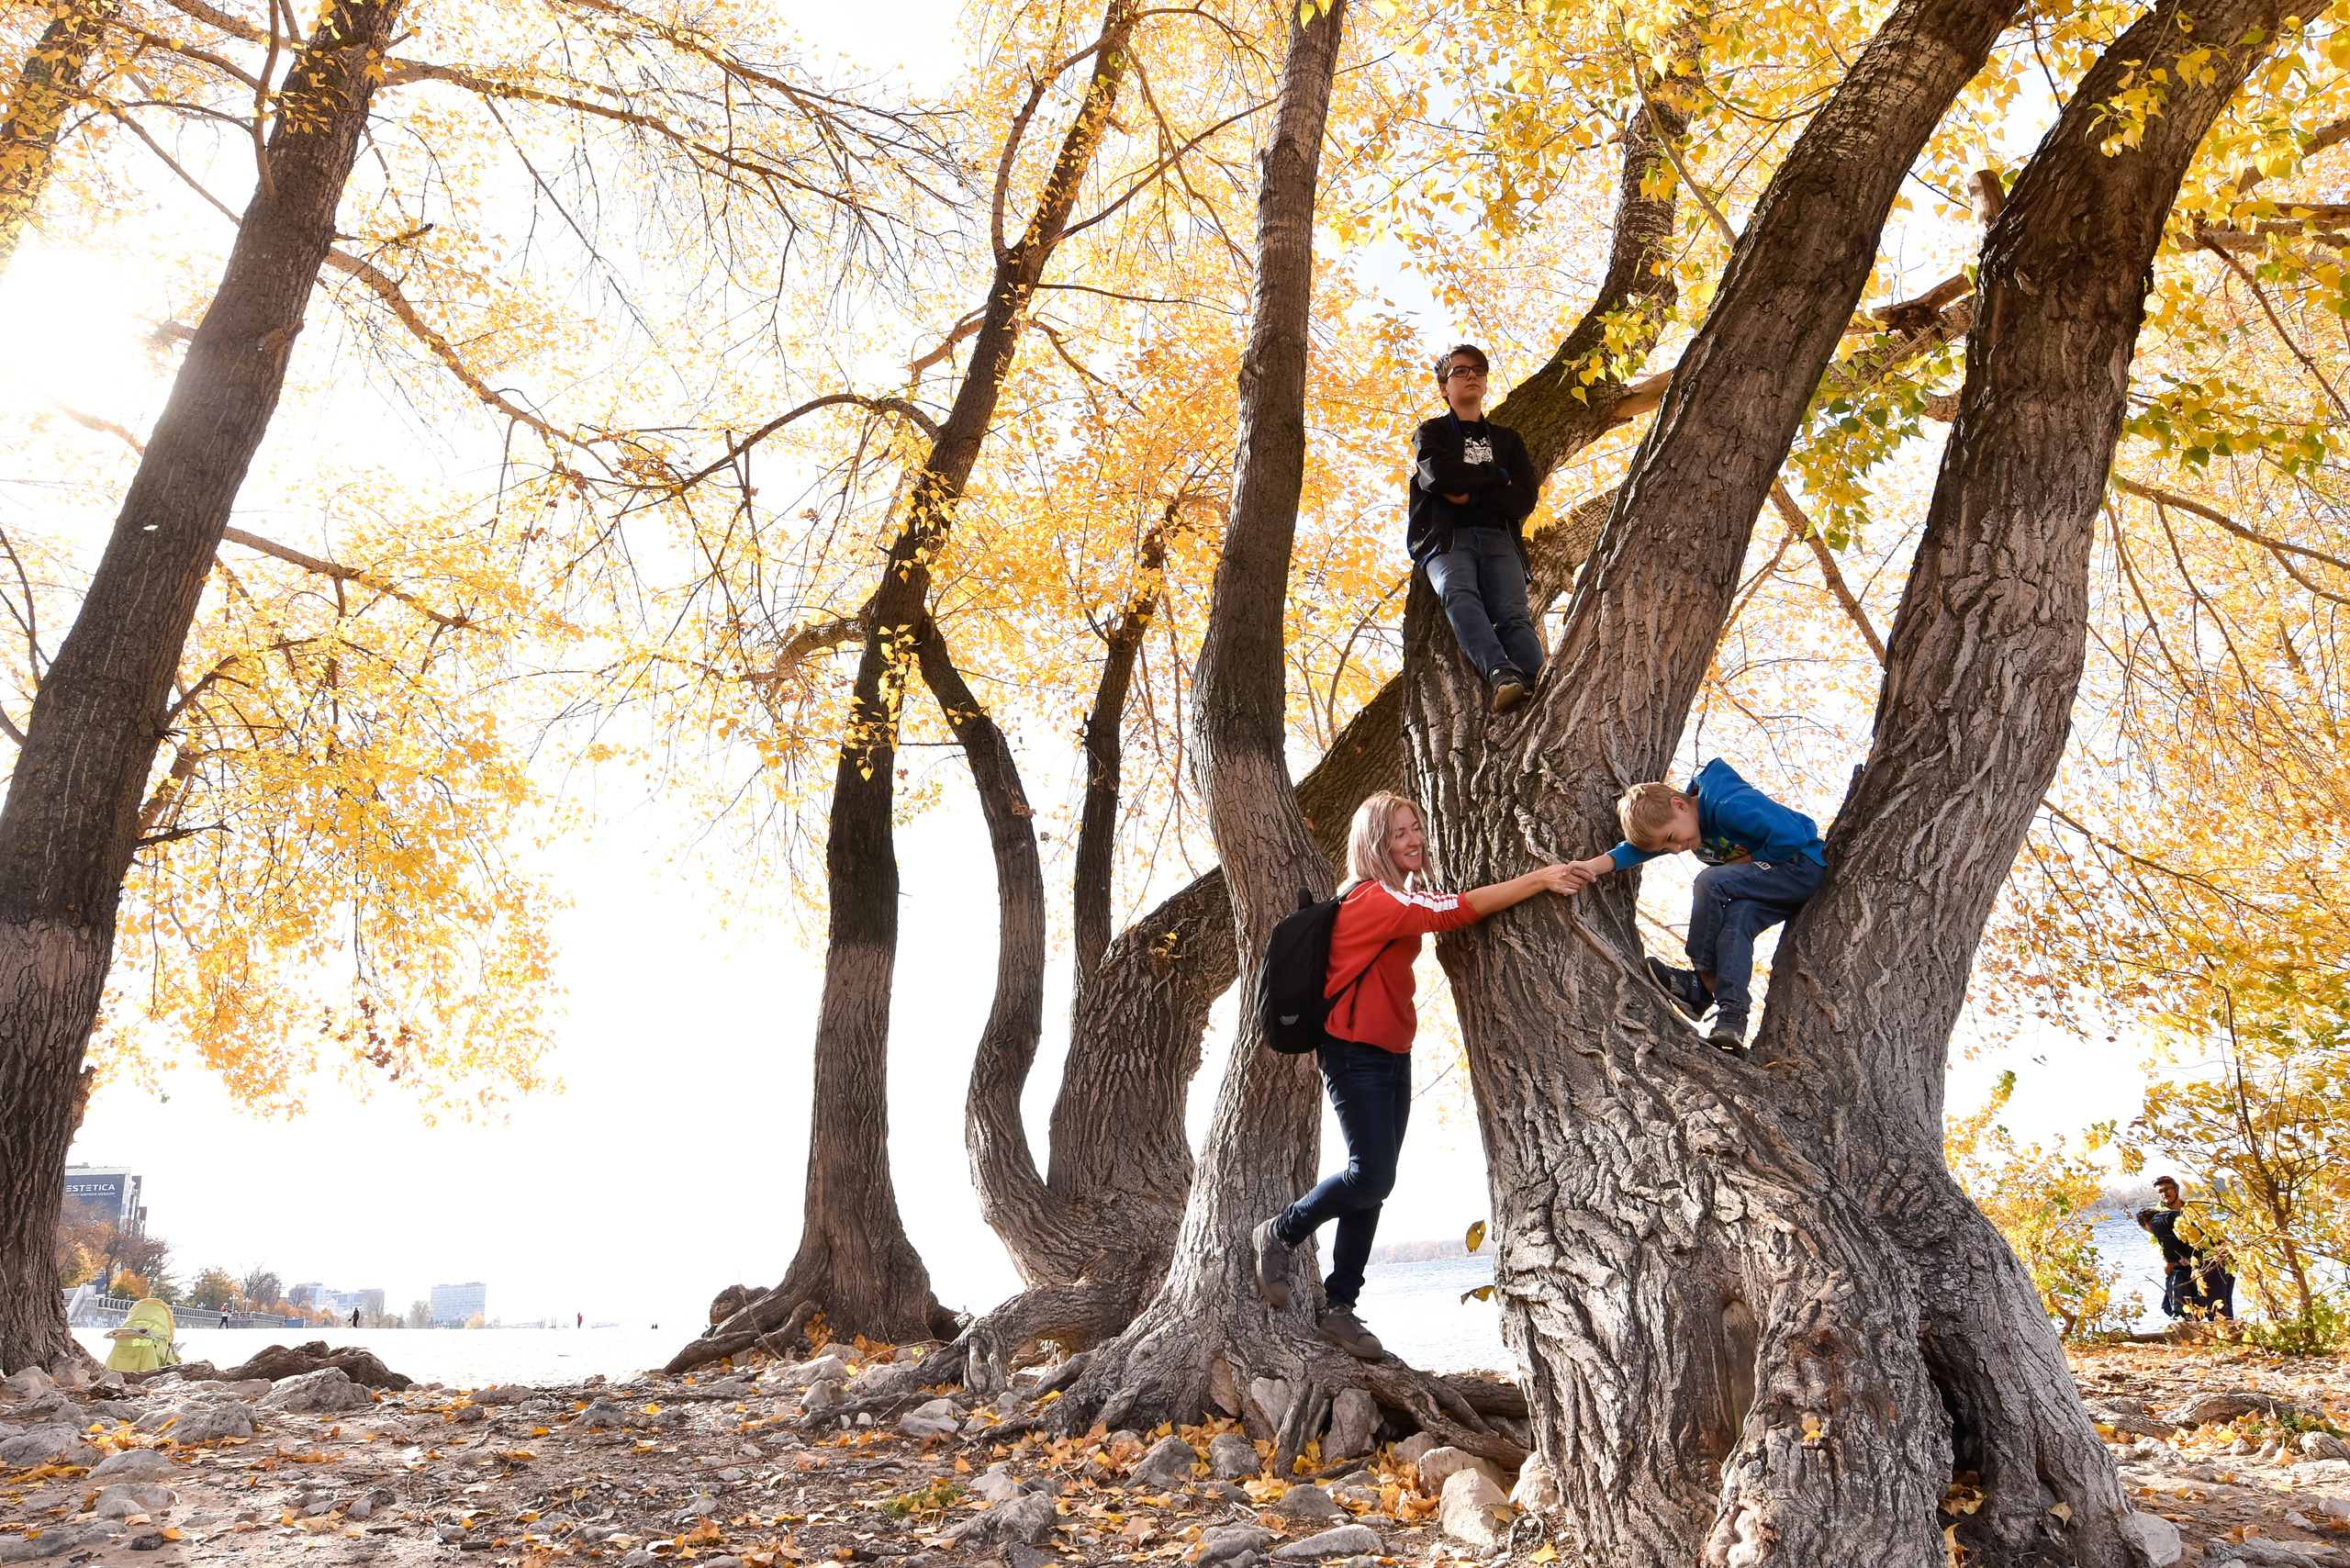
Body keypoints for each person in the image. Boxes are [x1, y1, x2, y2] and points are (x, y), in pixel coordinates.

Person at [1250, 791, 1583, 1358]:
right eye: (1402, 832)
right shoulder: (1372, 900)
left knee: (1373, 1187)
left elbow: (1441, 901)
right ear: (1376, 843)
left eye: (1418, 829)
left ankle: (1341, 1308)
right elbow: (1456, 911)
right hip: (1354, 1051)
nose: (1416, 840)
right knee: (1371, 1178)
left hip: (1391, 1053)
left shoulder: (1394, 896)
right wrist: (1540, 879)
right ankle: (1282, 1230)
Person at [1561, 759, 1827, 1052]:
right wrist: (1590, 866)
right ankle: (1732, 1017)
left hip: (1799, 865)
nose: (1675, 849)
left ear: (1680, 805)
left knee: (1709, 881)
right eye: (1666, 847)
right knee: (1736, 923)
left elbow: (1792, 837)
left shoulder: (1729, 803)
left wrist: (1735, 864)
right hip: (1768, 888)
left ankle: (1702, 981)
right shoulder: (1688, 827)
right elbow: (1634, 852)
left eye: (1671, 839)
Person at [1409, 344, 1543, 714]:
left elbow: (1522, 500)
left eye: (1478, 370)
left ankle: (1540, 685)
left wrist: (1469, 497)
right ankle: (1502, 675)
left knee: (1514, 613)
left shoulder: (1508, 440)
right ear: (1443, 387)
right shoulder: (1430, 433)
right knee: (1460, 595)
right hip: (1448, 539)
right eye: (1461, 371)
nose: (1472, 376)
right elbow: (1441, 477)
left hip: (1500, 538)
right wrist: (1497, 477)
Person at [2145, 1175, 2234, 1321]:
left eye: (2167, 1189)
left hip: (2207, 1258)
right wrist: (2176, 1258)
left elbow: (2209, 1231)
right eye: (2160, 1191)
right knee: (2186, 1304)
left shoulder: (2193, 1208)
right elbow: (2155, 1243)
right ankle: (2194, 1332)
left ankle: (2226, 1329)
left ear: (2176, 1189)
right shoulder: (2157, 1216)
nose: (2164, 1194)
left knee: (2219, 1298)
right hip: (2181, 1264)